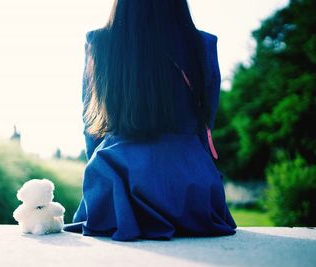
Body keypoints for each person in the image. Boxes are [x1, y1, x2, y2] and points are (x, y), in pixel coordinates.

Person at [64, 0, 237, 241]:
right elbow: (205, 123)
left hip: (118, 190)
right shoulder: (203, 45)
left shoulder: (99, 43)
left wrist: (97, 186)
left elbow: (92, 125)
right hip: (192, 194)